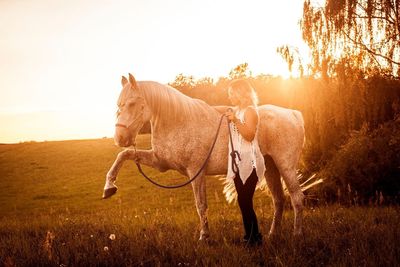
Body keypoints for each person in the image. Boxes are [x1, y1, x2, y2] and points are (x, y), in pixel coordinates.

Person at [215, 79, 265, 245]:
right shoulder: (237, 110)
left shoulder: (250, 111)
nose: (229, 97)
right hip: (237, 160)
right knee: (242, 201)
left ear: (240, 93)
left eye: (231, 93)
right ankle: (250, 236)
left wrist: (235, 120)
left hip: (250, 161)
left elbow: (249, 135)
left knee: (245, 200)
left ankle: (254, 238)